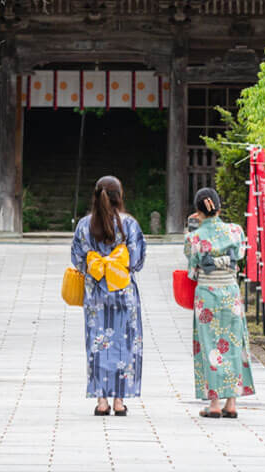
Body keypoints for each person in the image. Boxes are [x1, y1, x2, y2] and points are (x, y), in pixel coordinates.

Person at [70, 175, 146, 416]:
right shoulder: (129, 224)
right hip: (123, 291)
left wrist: (97, 266)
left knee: (97, 343)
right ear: (119, 196)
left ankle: (101, 401)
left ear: (96, 196)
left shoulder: (84, 225)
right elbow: (137, 261)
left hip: (96, 293)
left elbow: (77, 259)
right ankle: (119, 401)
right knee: (126, 344)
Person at [184, 186, 255, 418]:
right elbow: (240, 255)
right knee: (233, 342)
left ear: (197, 212)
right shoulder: (235, 231)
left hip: (207, 292)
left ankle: (214, 403)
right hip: (230, 293)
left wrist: (193, 227)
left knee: (210, 345)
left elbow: (192, 270)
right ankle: (231, 402)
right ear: (219, 207)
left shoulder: (194, 237)